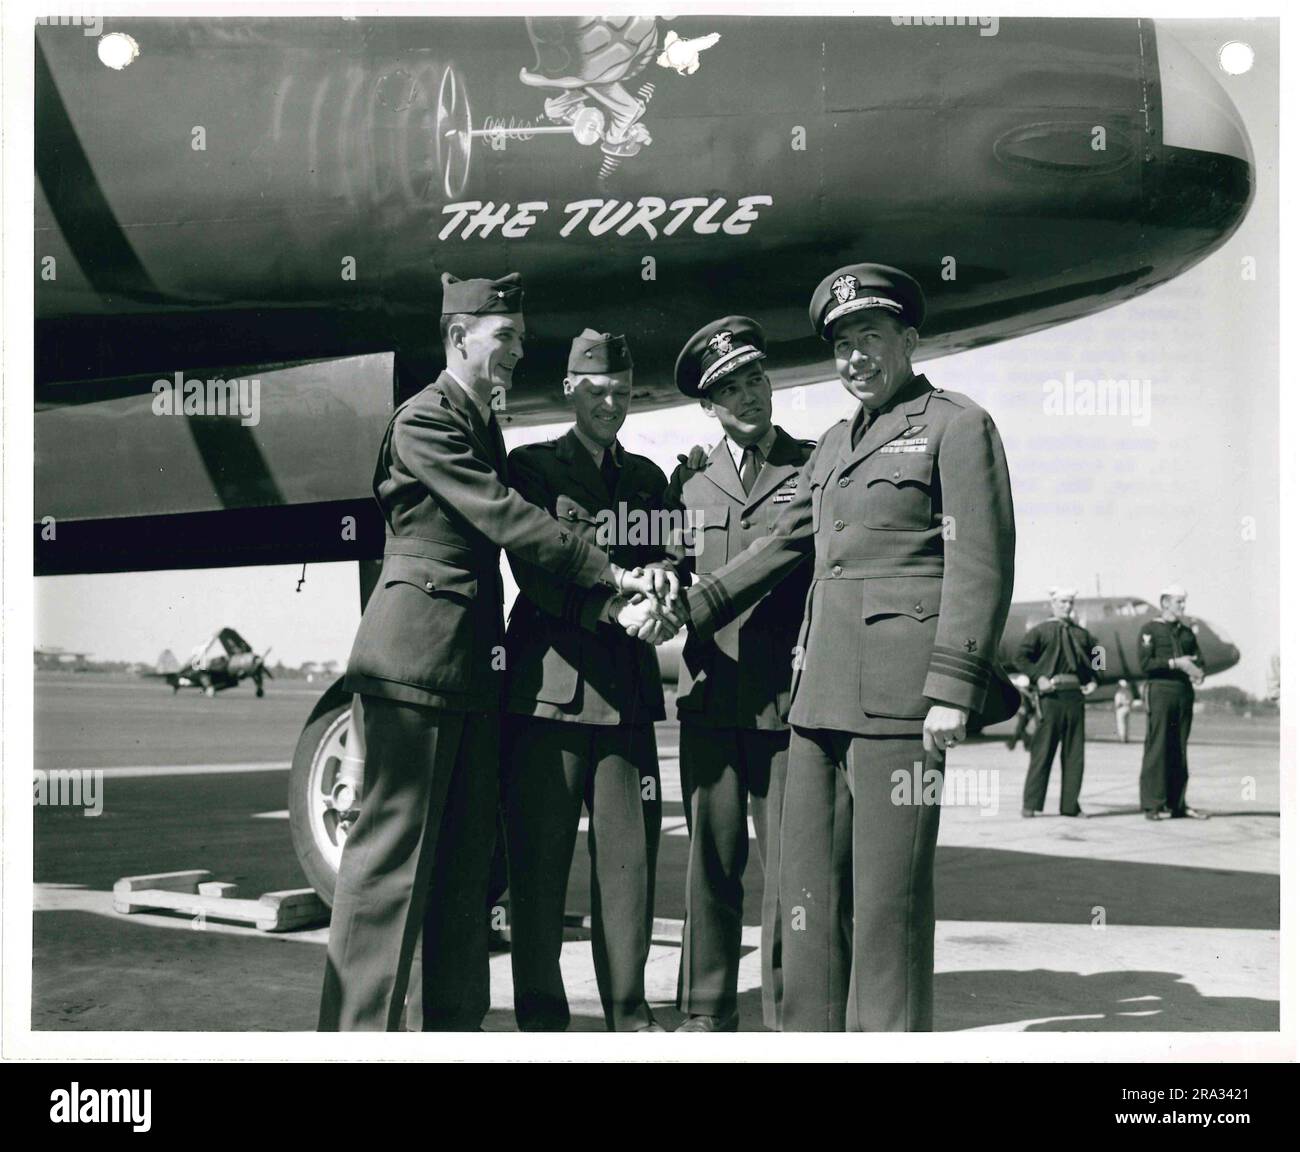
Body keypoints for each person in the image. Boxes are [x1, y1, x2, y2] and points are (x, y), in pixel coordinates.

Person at [666, 264, 1018, 1030]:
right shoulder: (830, 446)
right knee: (808, 899)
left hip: (900, 707)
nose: (855, 357)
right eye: (842, 346)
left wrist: (954, 688)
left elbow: (982, 561)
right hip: (815, 701)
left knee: (888, 902)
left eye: (870, 338)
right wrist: (690, 608)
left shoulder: (957, 426)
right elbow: (781, 548)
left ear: (908, 340)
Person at [318, 276, 670, 1031]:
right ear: (459, 336)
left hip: (474, 676)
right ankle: (352, 1038)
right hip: (413, 667)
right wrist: (609, 572)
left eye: (518, 338)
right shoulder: (427, 419)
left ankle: (456, 1032)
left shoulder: (482, 424)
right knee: (387, 875)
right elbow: (504, 516)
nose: (516, 352)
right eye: (503, 337)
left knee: (464, 876)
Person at [501, 329, 682, 1032]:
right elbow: (535, 572)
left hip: (629, 702)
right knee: (539, 872)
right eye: (597, 390)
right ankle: (542, 1021)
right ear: (572, 390)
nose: (611, 403)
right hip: (550, 697)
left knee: (630, 871)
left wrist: (667, 586)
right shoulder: (533, 468)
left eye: (623, 392)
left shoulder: (647, 479)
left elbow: (671, 549)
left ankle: (629, 1016)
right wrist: (611, 603)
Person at [663, 316, 816, 1032]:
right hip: (712, 701)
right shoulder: (688, 486)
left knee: (789, 877)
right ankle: (705, 1009)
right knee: (711, 867)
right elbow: (665, 574)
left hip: (788, 707)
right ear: (707, 404)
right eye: (729, 388)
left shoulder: (815, 467)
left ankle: (787, 1015)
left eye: (755, 378)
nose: (749, 396)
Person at [1018, 587, 1098, 818]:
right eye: (1062, 602)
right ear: (1052, 604)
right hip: (1050, 697)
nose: (1067, 606)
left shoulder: (1083, 635)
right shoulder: (1040, 632)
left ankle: (1070, 806)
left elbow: (1099, 652)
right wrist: (1038, 677)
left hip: (1075, 697)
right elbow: (1020, 657)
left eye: (1070, 602)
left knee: (1075, 755)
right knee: (1042, 752)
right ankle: (1031, 804)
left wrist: (1095, 679)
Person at [1139, 584, 1210, 821]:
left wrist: (1199, 673)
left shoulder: (1187, 633)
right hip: (1160, 690)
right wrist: (1175, 663)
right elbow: (1146, 664)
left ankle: (1177, 804)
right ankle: (1153, 805)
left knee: (1179, 748)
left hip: (1183, 692)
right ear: (1165, 603)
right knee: (1157, 746)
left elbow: (1200, 661)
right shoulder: (1150, 630)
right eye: (1178, 602)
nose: (1183, 606)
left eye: (1183, 602)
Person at [1114, 679, 1134, 743]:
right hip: (1127, 708)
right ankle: (1126, 738)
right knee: (1126, 724)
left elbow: (1118, 703)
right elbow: (1131, 700)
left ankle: (1122, 738)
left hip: (1121, 708)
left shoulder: (1119, 692)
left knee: (1121, 723)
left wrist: (1116, 708)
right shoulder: (1129, 692)